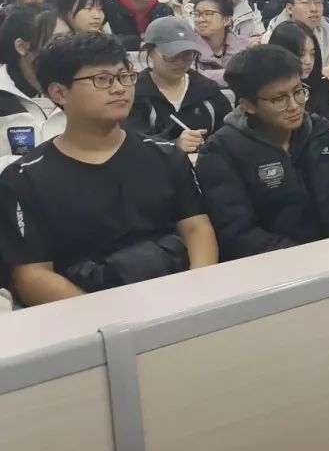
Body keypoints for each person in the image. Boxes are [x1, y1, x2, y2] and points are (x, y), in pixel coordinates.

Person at [0, 33, 217, 306]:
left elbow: (197, 228)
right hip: (85, 311)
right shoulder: (25, 177)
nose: (119, 88)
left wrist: (197, 292)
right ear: (59, 92)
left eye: (125, 77)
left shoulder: (165, 155)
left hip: (175, 297)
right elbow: (32, 275)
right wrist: (107, 315)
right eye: (102, 79)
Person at [196, 45, 329, 261]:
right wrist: (307, 258)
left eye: (298, 92)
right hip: (279, 267)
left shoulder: (319, 133)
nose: (294, 106)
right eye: (279, 99)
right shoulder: (221, 152)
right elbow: (237, 234)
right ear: (248, 105)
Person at [129, 16, 233, 153]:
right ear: (149, 52)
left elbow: (229, 134)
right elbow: (131, 143)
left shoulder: (207, 91)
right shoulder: (135, 95)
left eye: (187, 54)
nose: (180, 62)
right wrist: (173, 145)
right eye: (171, 55)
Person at [0, 5, 67, 170]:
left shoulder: (82, 87)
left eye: (70, 37)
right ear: (22, 47)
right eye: (57, 40)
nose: (68, 47)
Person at [266, 21, 329, 118]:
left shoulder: (323, 86)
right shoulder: (266, 90)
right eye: (301, 54)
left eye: (312, 54)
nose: (308, 61)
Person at [191, 0, 251, 85]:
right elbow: (190, 77)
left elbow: (251, 75)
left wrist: (206, 74)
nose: (200, 19)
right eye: (196, 14)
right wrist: (233, 74)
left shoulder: (246, 46)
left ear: (226, 20)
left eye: (207, 14)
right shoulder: (188, 47)